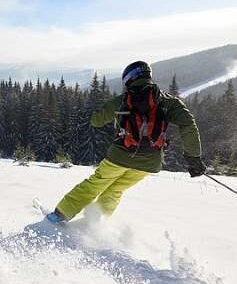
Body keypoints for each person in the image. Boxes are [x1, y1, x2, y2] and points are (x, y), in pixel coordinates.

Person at [46, 61, 205, 223]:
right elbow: (188, 125)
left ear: (129, 78)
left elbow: (96, 120)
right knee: (116, 189)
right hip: (149, 162)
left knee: (95, 184)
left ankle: (60, 214)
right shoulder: (169, 102)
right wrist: (194, 158)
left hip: (119, 156)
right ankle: (95, 223)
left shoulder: (123, 100)